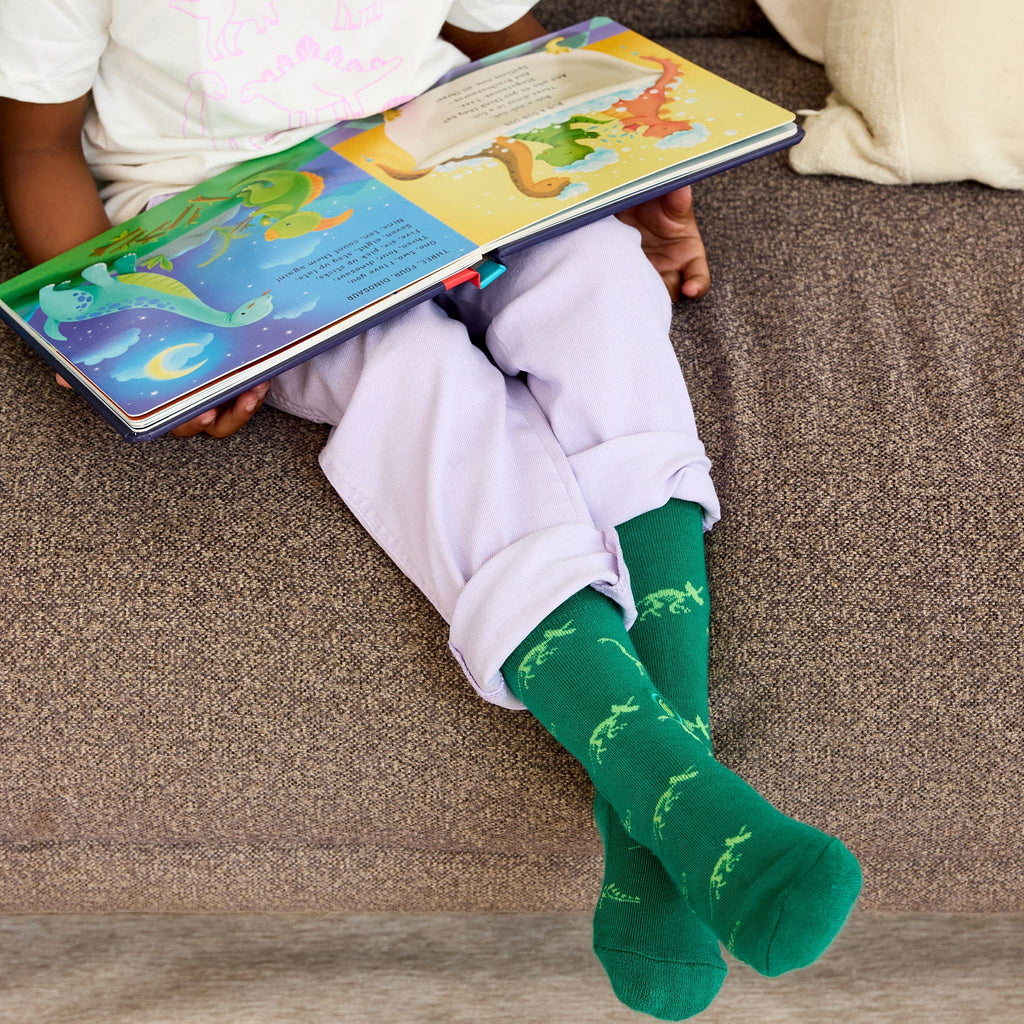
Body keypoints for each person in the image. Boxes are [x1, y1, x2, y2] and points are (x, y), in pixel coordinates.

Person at [0, 3, 861, 1020]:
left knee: (600, 283)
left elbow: (519, 43)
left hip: (447, 157)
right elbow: (37, 143)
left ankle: (665, 818)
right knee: (419, 386)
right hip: (229, 227)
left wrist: (628, 178)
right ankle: (673, 795)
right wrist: (135, 330)